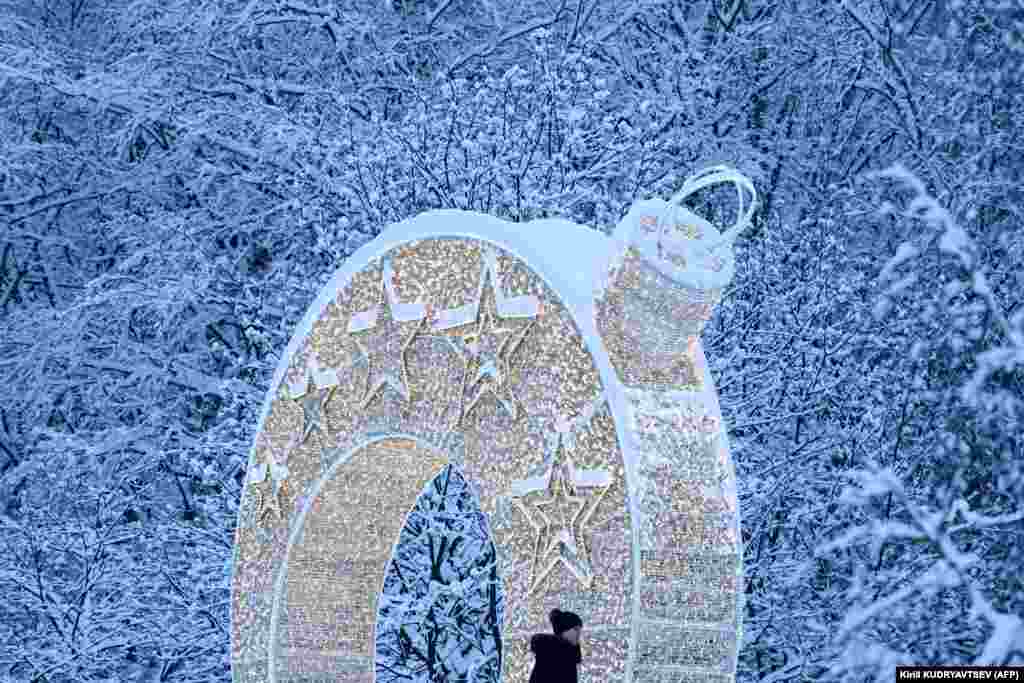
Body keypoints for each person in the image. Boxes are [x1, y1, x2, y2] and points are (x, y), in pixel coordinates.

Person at [528, 608, 583, 683]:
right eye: (575, 629)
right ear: (563, 631)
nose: (579, 634)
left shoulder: (567, 656)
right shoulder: (551, 656)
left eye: (580, 630)